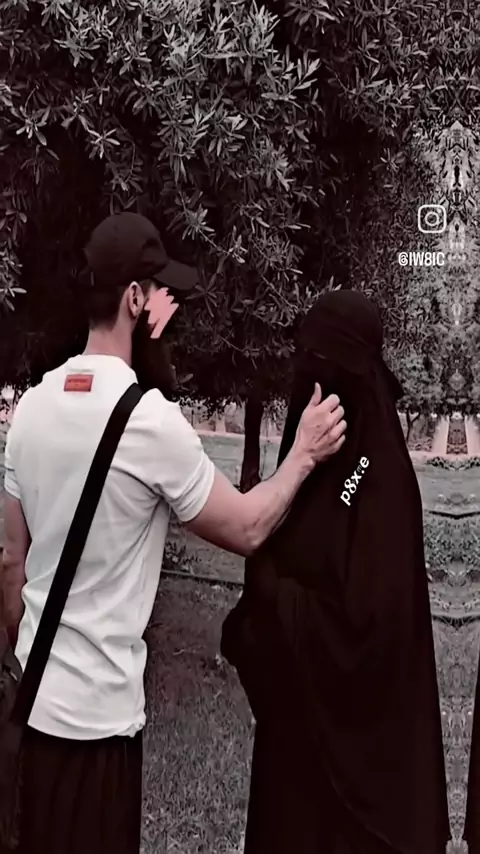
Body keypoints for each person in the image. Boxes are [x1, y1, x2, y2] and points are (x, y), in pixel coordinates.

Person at [0, 212, 346, 854]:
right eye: (164, 295)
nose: (173, 310)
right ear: (134, 299)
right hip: (99, 731)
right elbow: (247, 526)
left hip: (29, 714)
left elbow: (10, 563)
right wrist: (302, 455)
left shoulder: (32, 407)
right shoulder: (150, 423)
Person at [221, 289, 450, 854]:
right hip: (294, 763)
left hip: (362, 786)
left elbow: (370, 631)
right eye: (308, 362)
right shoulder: (304, 471)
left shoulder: (378, 481)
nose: (313, 382)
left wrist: (274, 598)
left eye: (327, 366)